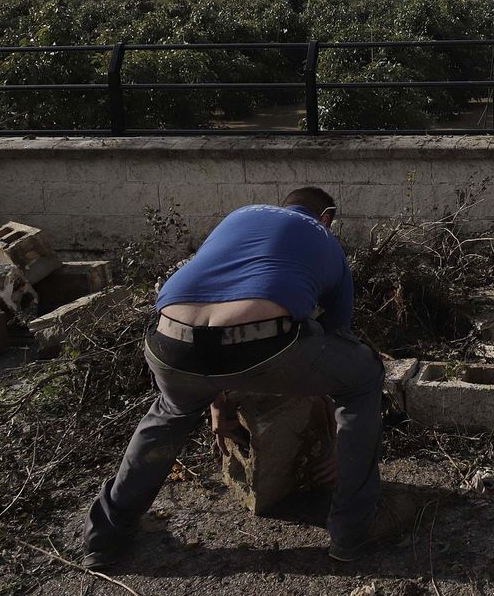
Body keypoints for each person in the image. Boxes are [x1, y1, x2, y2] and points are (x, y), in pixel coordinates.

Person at [83, 187, 386, 569]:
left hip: (168, 341)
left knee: (171, 412)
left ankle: (104, 537)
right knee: (364, 378)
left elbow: (213, 323)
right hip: (261, 345)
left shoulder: (239, 217)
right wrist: (335, 430)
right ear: (326, 217)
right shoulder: (325, 238)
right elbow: (335, 334)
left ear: (282, 207)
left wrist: (216, 403)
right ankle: (350, 533)